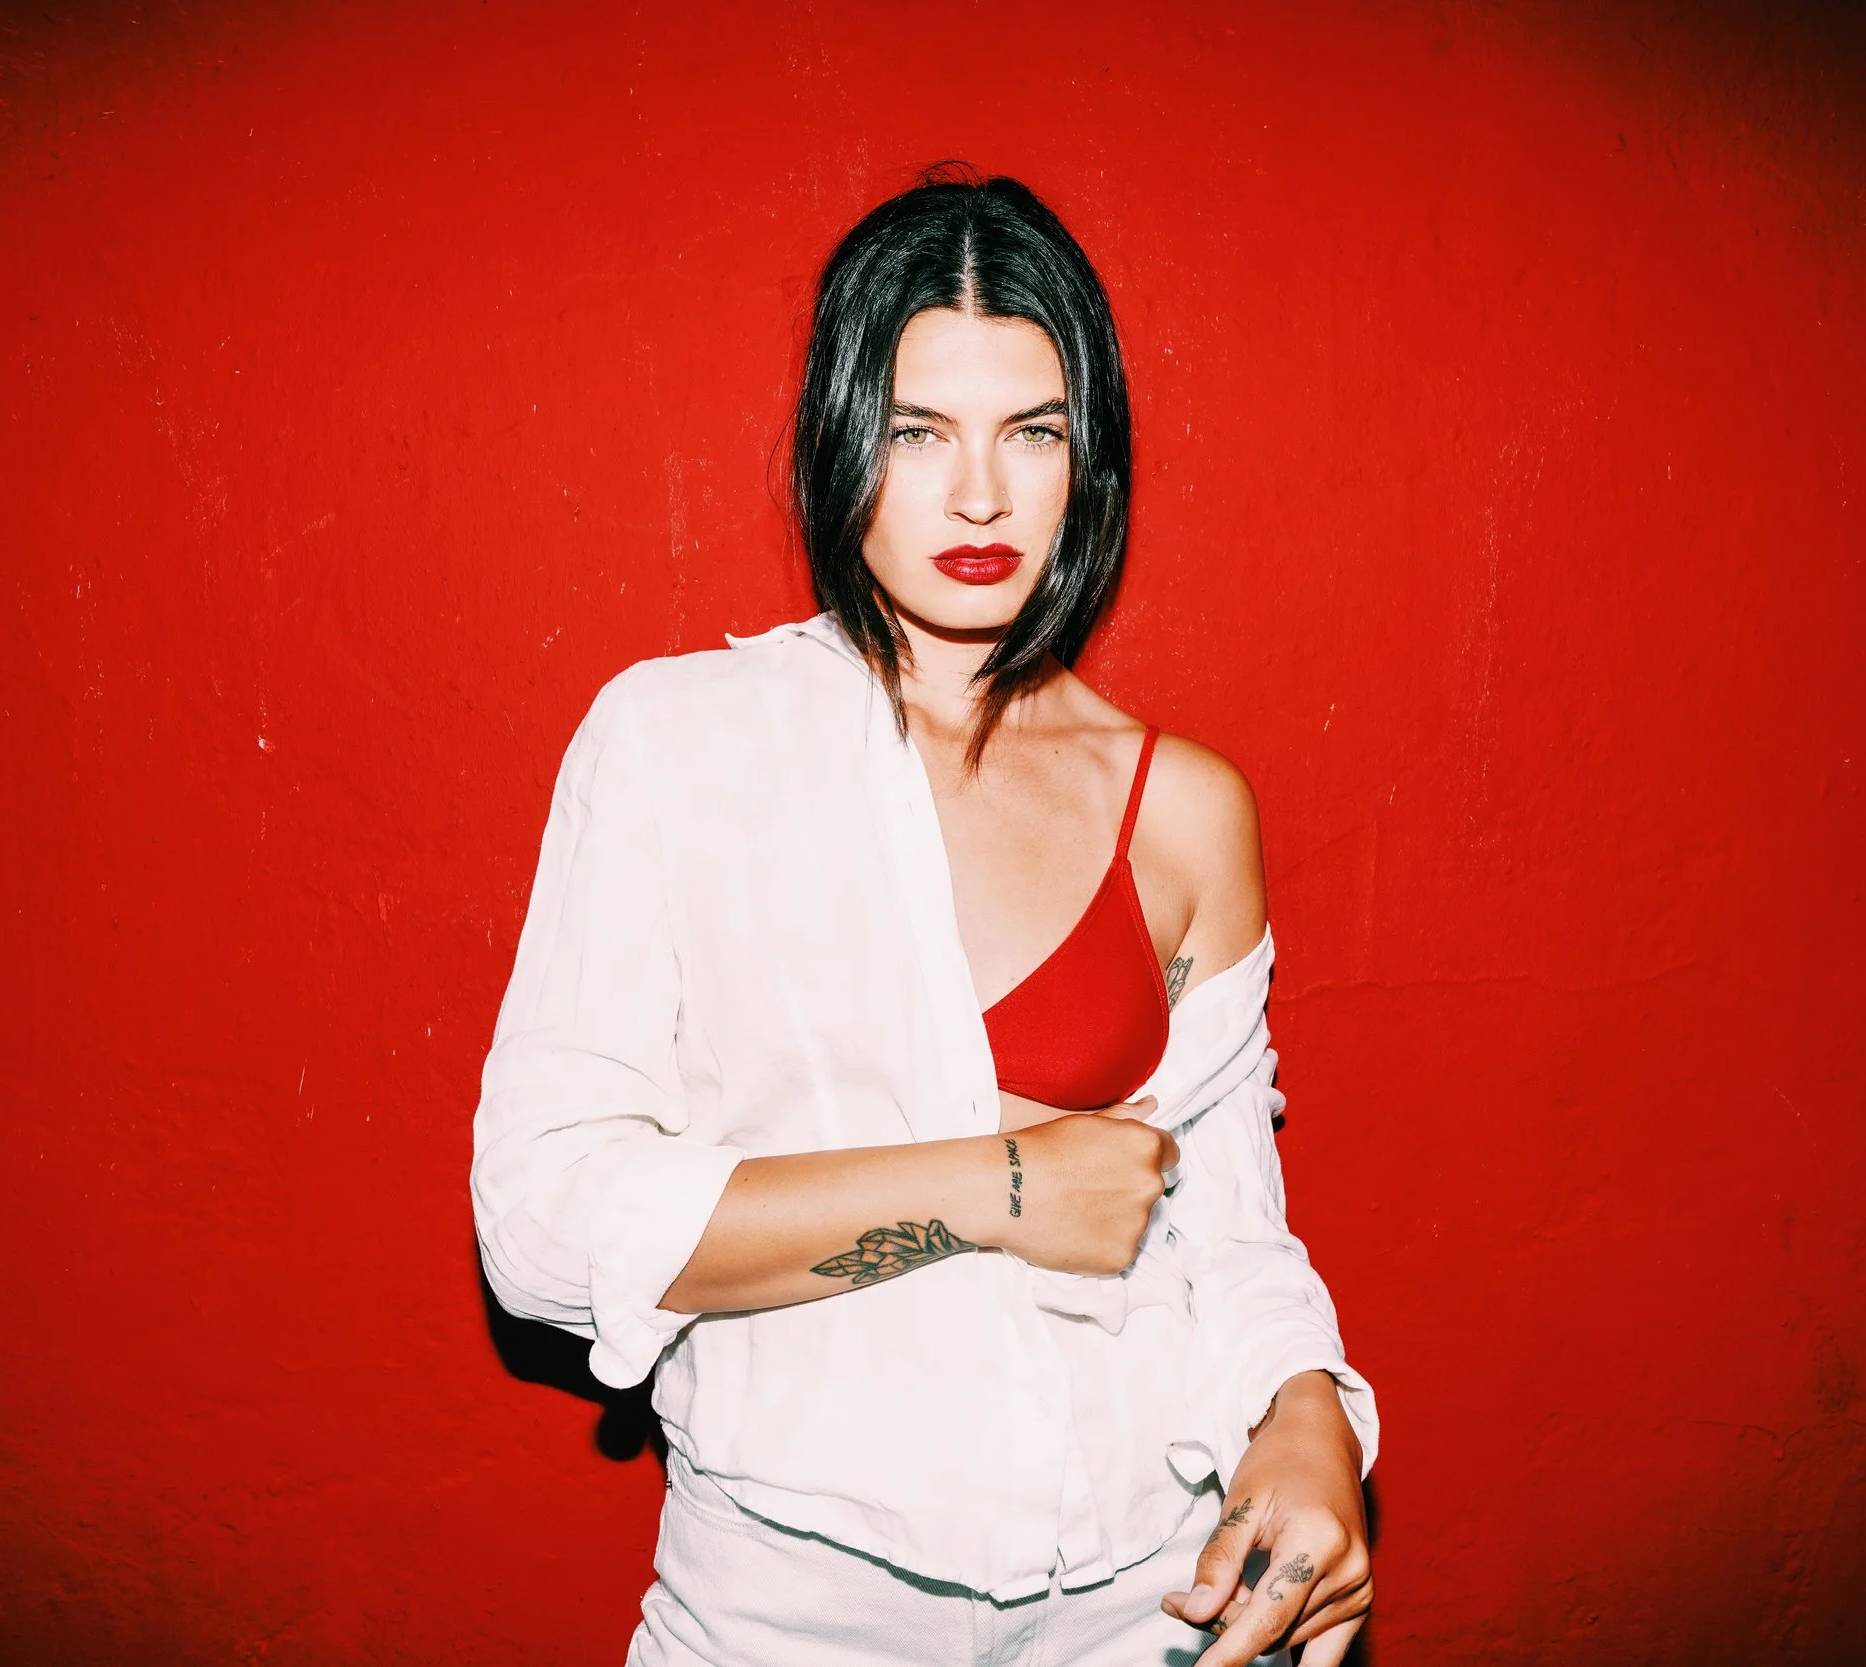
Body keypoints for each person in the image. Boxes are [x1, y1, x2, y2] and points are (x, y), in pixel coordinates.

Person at [472, 169, 1378, 1667]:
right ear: (842, 442)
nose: (979, 496)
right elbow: (543, 1226)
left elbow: (1229, 1232)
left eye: (1033, 431)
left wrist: (1304, 1418)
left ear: (1090, 459)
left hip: (1151, 1601)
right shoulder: (676, 746)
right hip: (786, 1605)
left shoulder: (1181, 806)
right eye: (917, 431)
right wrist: (999, 1183)